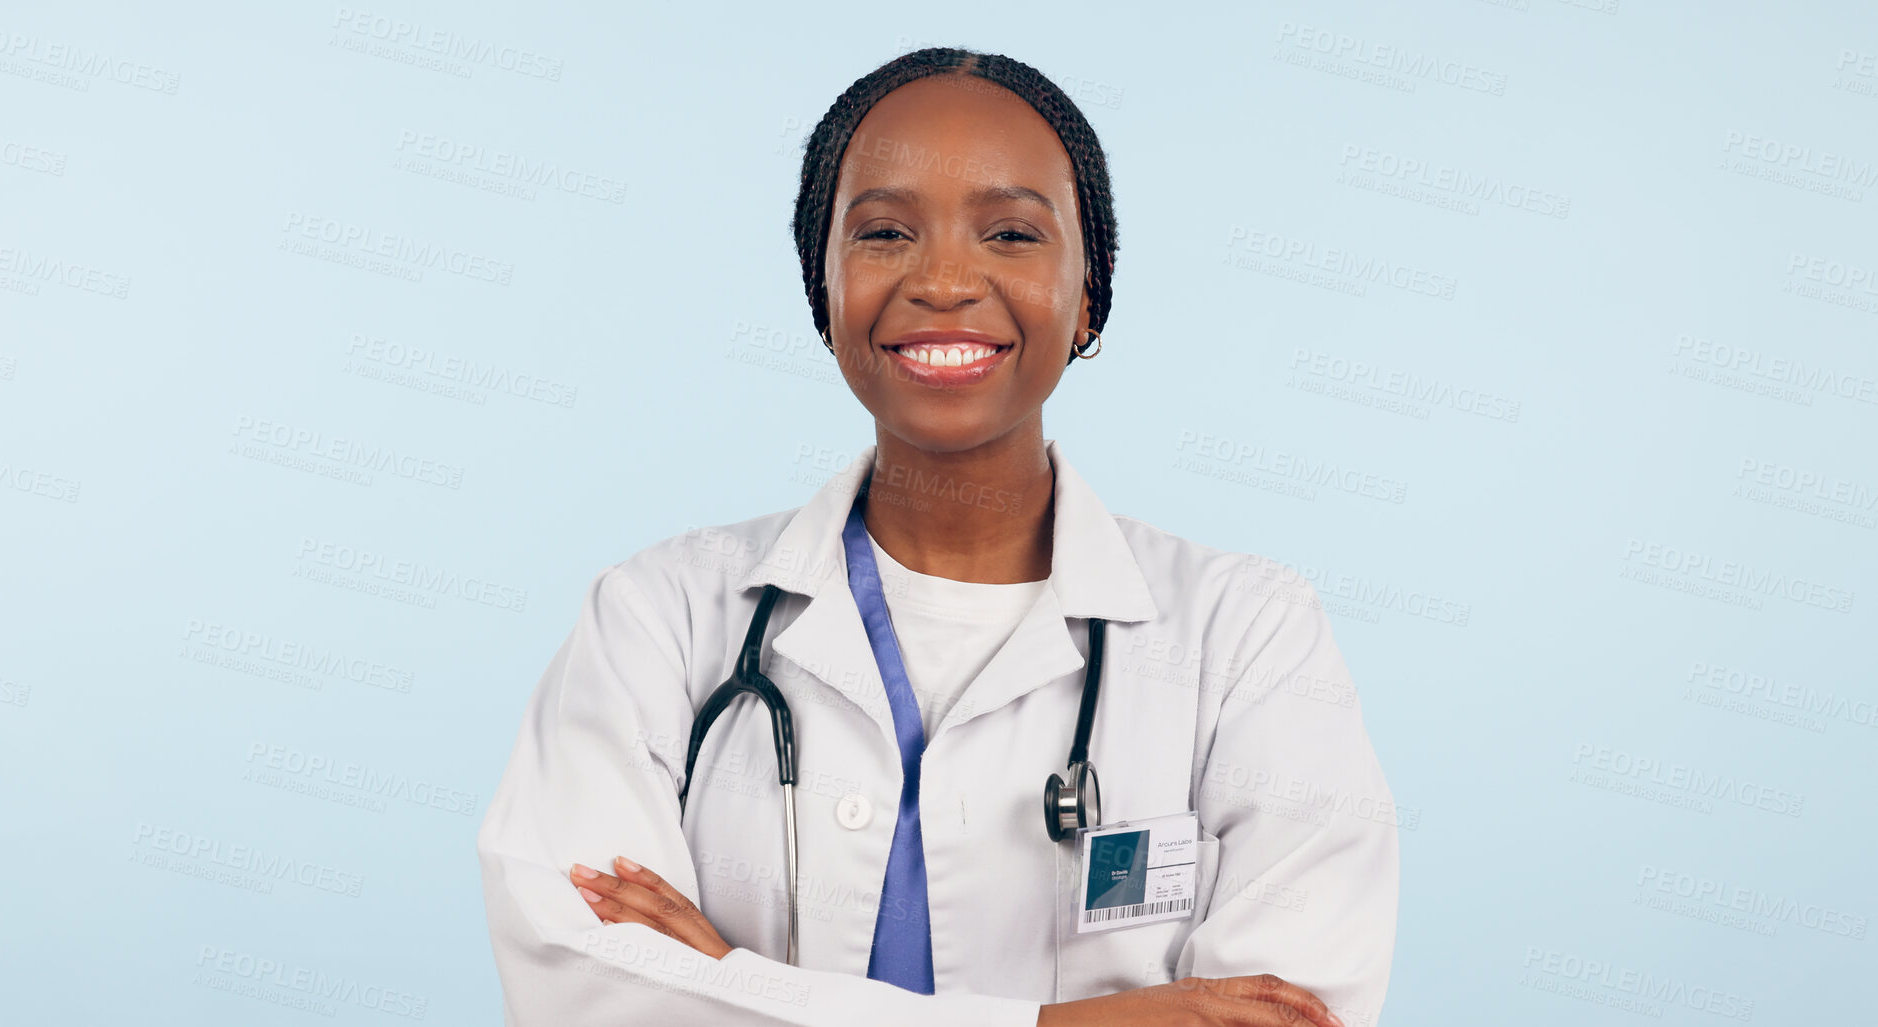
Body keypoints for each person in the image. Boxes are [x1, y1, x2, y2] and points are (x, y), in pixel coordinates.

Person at [477, 47, 1398, 1027]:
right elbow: (581, 990)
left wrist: (733, 981)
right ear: (819, 285)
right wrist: (1062, 1023)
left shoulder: (1248, 636)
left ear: (1092, 290)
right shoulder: (657, 619)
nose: (946, 279)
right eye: (883, 232)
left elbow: (1282, 1018)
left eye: (1010, 232)